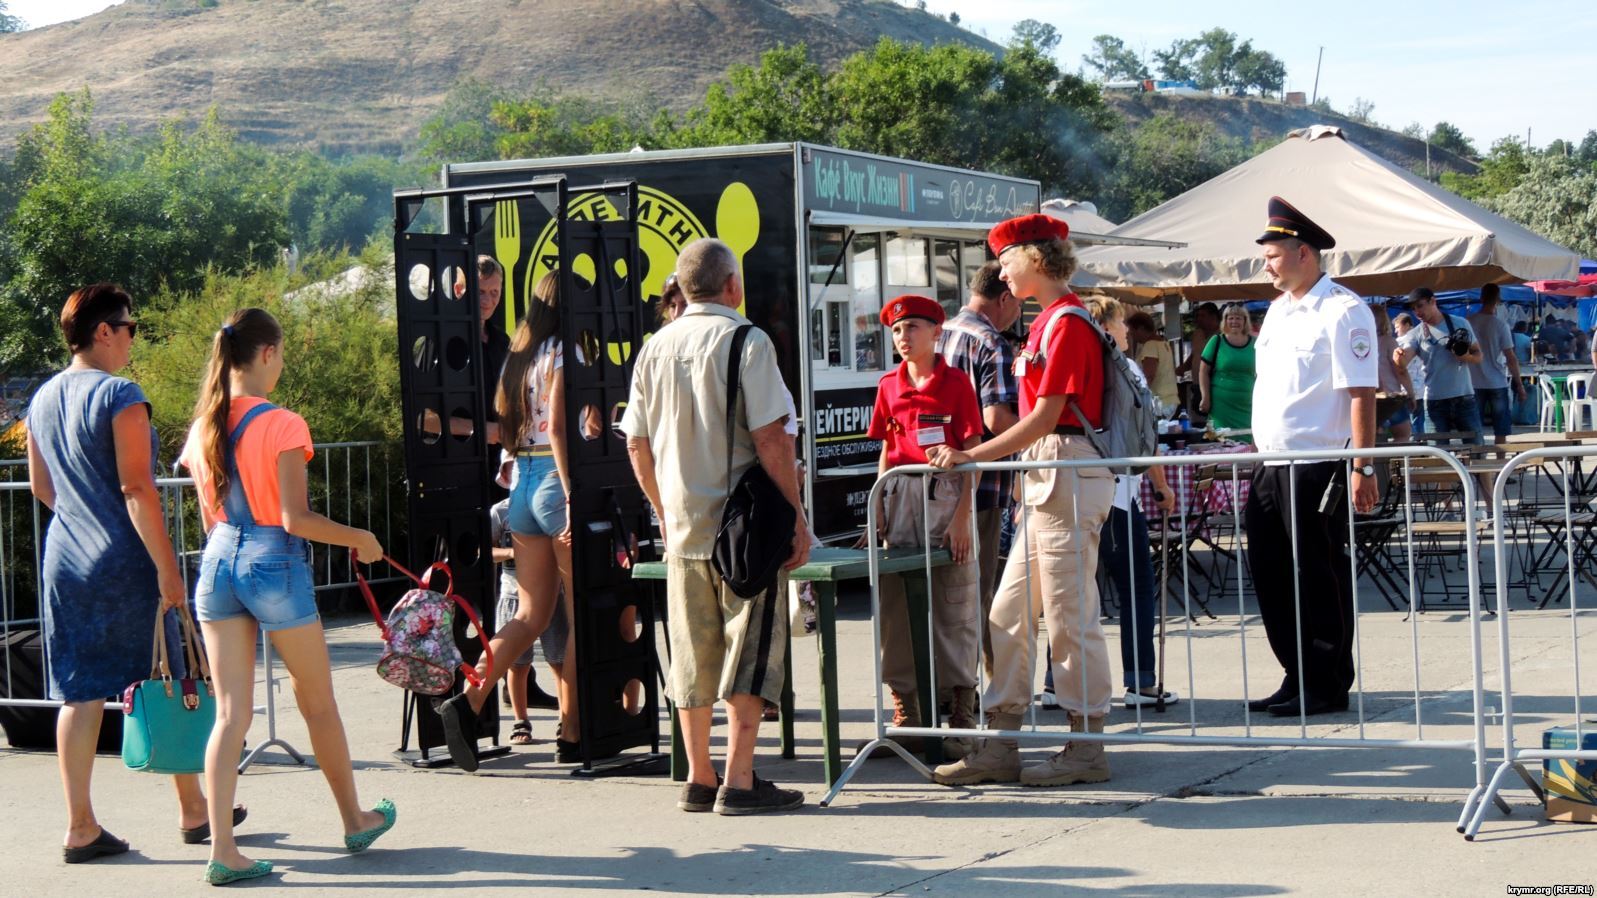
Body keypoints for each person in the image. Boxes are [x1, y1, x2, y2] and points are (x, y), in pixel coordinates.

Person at [181, 308, 395, 885]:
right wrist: (360, 539)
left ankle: (222, 847)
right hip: (272, 561)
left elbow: (210, 514)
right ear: (268, 353)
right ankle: (354, 817)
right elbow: (294, 518)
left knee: (230, 713)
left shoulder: (204, 424)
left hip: (218, 559)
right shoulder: (283, 423)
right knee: (317, 700)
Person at [26, 284, 219, 865]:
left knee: (79, 694)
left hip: (63, 557)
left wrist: (81, 519)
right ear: (104, 331)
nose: (134, 334)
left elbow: (41, 487)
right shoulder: (119, 394)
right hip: (122, 556)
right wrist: (168, 569)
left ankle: (80, 825)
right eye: (129, 325)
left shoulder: (42, 397)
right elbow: (137, 488)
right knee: (168, 673)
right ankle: (192, 810)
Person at [927, 213, 1116, 788]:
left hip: (1065, 472)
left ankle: (1086, 745)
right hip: (1050, 475)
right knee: (1009, 612)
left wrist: (974, 455)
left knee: (1068, 615)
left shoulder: (1066, 325)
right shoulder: (1049, 324)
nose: (1001, 271)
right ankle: (1001, 740)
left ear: (1035, 258)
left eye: (1007, 259)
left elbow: (1045, 418)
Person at [621, 238, 809, 815]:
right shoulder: (747, 341)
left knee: (691, 654)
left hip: (684, 528)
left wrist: (662, 505)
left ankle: (699, 778)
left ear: (682, 287)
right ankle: (741, 779)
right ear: (733, 286)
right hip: (745, 531)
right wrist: (797, 519)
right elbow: (772, 439)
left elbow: (636, 442)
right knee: (749, 655)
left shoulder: (654, 348)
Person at [436, 271, 581, 770]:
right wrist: (572, 490)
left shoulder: (517, 357)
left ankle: (471, 698)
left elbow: (510, 426)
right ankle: (574, 729)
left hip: (521, 481)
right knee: (580, 613)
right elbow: (561, 427)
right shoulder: (566, 352)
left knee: (529, 615)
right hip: (555, 481)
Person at [1245, 196, 1379, 719]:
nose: (1266, 262)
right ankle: (1296, 674)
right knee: (1271, 573)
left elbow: (1362, 393)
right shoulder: (1278, 311)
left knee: (1316, 573)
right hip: (1269, 462)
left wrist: (1362, 465)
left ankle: (1326, 682)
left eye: (1273, 253)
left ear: (1304, 252)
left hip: (1318, 461)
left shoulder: (1344, 310)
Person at [859, 294, 984, 757]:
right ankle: (909, 709)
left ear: (937, 332)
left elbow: (973, 453)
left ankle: (960, 710)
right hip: (900, 495)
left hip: (946, 494)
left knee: (955, 602)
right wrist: (877, 509)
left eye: (912, 327)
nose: (903, 337)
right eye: (896, 330)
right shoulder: (888, 384)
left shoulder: (956, 384)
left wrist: (963, 516)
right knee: (896, 607)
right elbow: (887, 449)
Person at [1087, 297, 1179, 707]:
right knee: (1137, 587)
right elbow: (1144, 436)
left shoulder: (1082, 366)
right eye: (1120, 322)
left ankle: (1057, 682)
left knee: (1076, 590)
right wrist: (1161, 485)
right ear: (1107, 328)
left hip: (1081, 489)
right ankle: (1140, 680)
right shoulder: (1126, 370)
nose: (1127, 330)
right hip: (1119, 491)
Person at [935, 261, 1021, 680]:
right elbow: (996, 419)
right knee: (979, 591)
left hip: (935, 483)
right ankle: (979, 695)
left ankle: (959, 690)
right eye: (1018, 303)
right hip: (982, 484)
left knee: (949, 596)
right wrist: (1039, 431)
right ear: (1004, 297)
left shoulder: (939, 333)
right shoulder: (992, 342)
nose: (1019, 312)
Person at [489, 497, 567, 745]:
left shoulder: (554, 503)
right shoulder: (500, 511)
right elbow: (485, 551)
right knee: (516, 664)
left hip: (555, 592)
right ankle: (520, 720)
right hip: (514, 593)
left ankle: (566, 719)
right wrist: (514, 552)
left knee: (560, 661)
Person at [1394, 287, 1484, 444]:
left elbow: (1478, 355)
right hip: (1435, 403)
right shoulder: (1416, 333)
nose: (1417, 312)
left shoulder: (1459, 323)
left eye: (1420, 306)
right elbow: (1403, 360)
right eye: (1414, 309)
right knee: (1439, 455)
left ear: (1433, 301)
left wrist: (1466, 356)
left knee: (1476, 451)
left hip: (1464, 398)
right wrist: (1398, 357)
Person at [1467, 284, 1526, 443]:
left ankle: (1477, 457)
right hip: (1497, 381)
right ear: (1498, 300)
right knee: (1501, 426)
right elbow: (1510, 357)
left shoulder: (1468, 322)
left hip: (1473, 382)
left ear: (1481, 298)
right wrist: (1519, 384)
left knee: (1475, 426)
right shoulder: (1500, 325)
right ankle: (1500, 459)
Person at [1197, 303, 1257, 432]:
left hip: (1249, 404)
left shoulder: (1255, 343)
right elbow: (1203, 371)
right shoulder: (1216, 341)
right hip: (1221, 405)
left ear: (1245, 321)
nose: (1234, 321)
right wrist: (1205, 397)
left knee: (1249, 439)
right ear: (1225, 321)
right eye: (1230, 318)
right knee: (1223, 441)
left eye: (1238, 318)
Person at [1372, 307, 1416, 442]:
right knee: (1403, 435)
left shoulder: (1360, 342)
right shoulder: (1388, 341)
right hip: (1390, 398)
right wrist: (1411, 394)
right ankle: (1397, 462)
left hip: (1369, 398)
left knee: (1373, 440)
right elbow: (1400, 370)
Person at [1127, 311, 1179, 415]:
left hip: (1159, 402)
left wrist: (1137, 398)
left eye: (1133, 332)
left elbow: (1149, 376)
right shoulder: (1164, 343)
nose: (1132, 337)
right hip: (1170, 400)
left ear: (1141, 328)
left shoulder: (1150, 346)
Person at [1176, 302, 1221, 403]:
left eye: (1203, 316)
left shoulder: (1223, 336)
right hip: (1197, 384)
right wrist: (1182, 368)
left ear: (1213, 317)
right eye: (1198, 316)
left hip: (1216, 385)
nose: (1198, 319)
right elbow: (1195, 355)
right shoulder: (1197, 334)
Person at [1394, 312, 1427, 433]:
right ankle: (1420, 443)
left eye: (1398, 327)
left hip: (1407, 387)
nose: (1396, 331)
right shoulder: (1421, 338)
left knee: (1408, 421)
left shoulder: (1398, 343)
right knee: (1418, 419)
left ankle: (1414, 444)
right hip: (1420, 386)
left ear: (1407, 325)